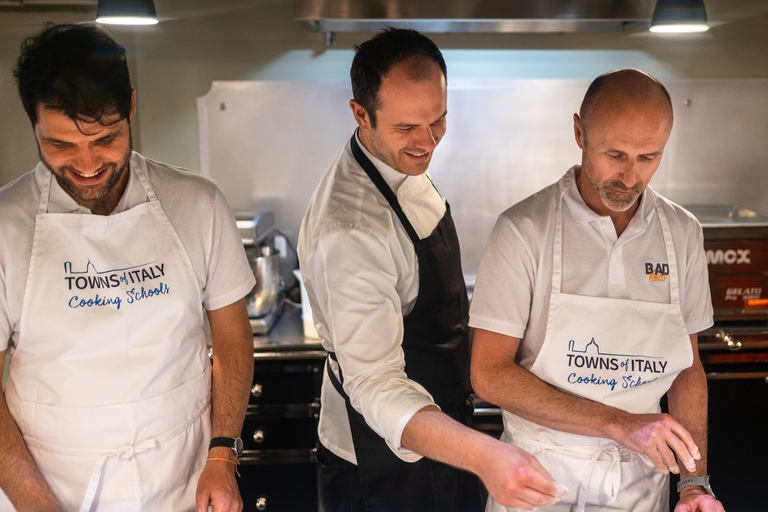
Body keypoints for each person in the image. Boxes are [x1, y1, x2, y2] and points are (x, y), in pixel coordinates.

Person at [298, 28, 567, 512]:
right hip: (379, 459)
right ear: (361, 114)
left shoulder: (398, 166)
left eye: (438, 121)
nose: (427, 143)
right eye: (406, 129)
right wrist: (486, 454)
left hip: (443, 429)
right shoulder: (351, 230)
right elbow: (376, 385)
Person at [0, 24, 255, 512]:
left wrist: (223, 457)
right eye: (60, 145)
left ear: (131, 108)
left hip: (186, 484)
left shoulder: (197, 203)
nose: (88, 163)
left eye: (106, 139)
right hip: (52, 491)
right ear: (32, 122)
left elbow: (231, 338)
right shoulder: (5, 227)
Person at [469, 69, 726, 512]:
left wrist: (693, 482)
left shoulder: (682, 234)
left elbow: (687, 370)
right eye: (615, 154)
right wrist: (618, 424)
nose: (629, 176)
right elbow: (489, 374)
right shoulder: (523, 230)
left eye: (649, 157)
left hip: (640, 487)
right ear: (578, 132)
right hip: (538, 481)